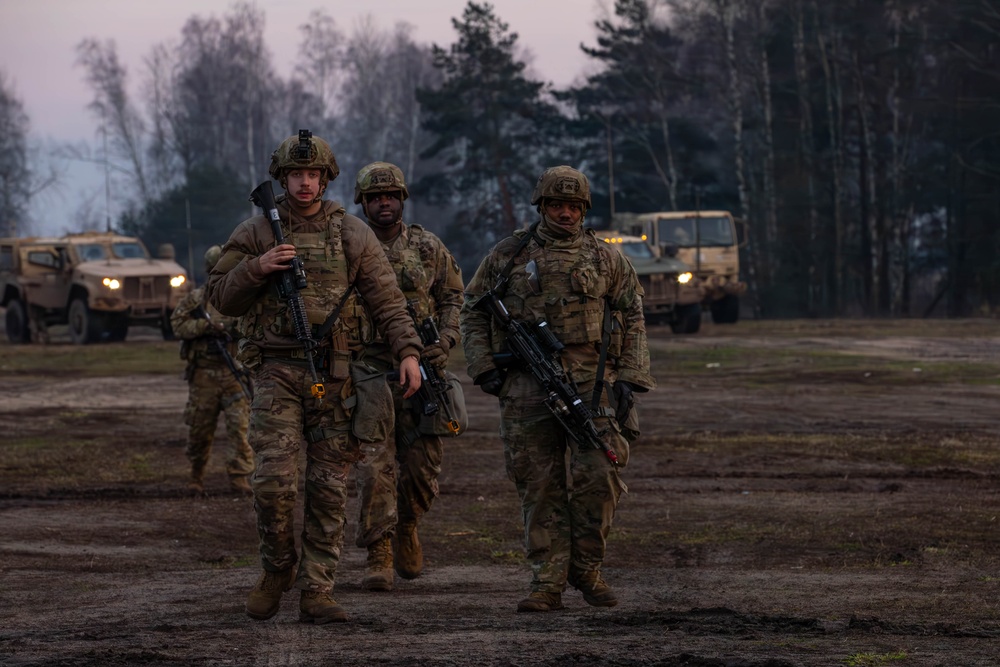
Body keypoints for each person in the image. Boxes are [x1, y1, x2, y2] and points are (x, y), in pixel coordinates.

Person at [207, 131, 423, 625]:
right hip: (276, 370)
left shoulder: (351, 232)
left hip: (337, 372)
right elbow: (219, 296)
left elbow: (387, 299)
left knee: (329, 488)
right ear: (282, 178)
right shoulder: (257, 232)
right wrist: (257, 268)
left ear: (326, 179)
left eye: (314, 175)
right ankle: (278, 569)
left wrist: (408, 352)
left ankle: (318, 589)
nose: (305, 183)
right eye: (296, 175)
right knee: (273, 484)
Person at [459, 166, 655, 613]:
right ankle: (546, 581)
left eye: (573, 206)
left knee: (600, 473)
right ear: (542, 206)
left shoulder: (607, 258)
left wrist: (630, 377)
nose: (565, 213)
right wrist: (483, 366)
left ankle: (586, 570)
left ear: (583, 209)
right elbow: (471, 310)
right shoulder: (509, 254)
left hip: (592, 380)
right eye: (556, 205)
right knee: (538, 484)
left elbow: (634, 316)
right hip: (527, 383)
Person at [350, 162, 464, 592]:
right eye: (375, 197)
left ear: (402, 199)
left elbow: (453, 296)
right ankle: (378, 552)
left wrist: (447, 339)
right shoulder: (349, 244)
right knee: (375, 465)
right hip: (369, 367)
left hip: (424, 369)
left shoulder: (426, 246)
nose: (384, 203)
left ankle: (408, 527)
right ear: (363, 202)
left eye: (391, 196)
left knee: (422, 465)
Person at [170, 245, 254, 495]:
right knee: (200, 430)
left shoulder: (243, 299)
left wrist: (228, 327)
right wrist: (206, 327)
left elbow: (253, 327)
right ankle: (196, 477)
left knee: (240, 430)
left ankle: (240, 478)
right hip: (204, 376)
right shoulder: (197, 299)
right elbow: (178, 324)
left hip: (234, 374)